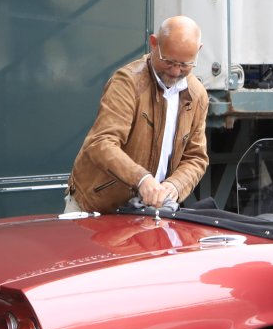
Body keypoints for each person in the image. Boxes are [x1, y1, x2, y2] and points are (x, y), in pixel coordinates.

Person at [65, 16, 208, 214]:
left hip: (147, 210)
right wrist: (142, 179)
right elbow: (100, 143)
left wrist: (175, 186)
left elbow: (196, 158)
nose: (176, 72)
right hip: (97, 207)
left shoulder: (198, 95)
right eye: (169, 62)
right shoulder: (128, 83)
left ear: (198, 51)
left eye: (185, 64)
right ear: (154, 43)